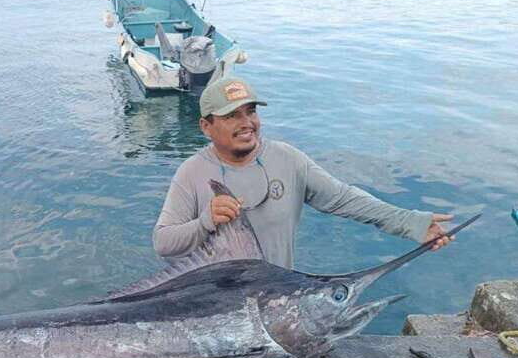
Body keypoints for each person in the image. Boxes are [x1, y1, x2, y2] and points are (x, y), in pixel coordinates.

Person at [153, 76, 453, 268]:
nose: (247, 123)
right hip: (208, 308)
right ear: (206, 126)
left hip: (273, 303)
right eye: (232, 116)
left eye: (251, 111)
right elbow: (163, 244)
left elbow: (345, 199)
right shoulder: (191, 172)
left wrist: (410, 223)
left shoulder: (288, 159)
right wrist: (205, 221)